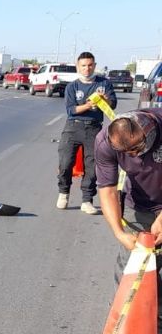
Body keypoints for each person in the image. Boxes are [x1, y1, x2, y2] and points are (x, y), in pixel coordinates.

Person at [95, 108, 162, 296]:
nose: (132, 155)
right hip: (139, 204)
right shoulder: (104, 142)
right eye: (125, 152)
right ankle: (125, 322)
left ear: (149, 132)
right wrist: (119, 232)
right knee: (132, 268)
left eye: (136, 149)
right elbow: (107, 189)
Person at [57, 51, 117, 214]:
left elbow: (113, 105)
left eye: (90, 65)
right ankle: (64, 192)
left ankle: (87, 200)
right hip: (73, 127)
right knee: (65, 162)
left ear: (95, 66)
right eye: (83, 65)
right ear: (78, 66)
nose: (87, 68)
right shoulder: (72, 87)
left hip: (94, 128)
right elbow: (71, 110)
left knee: (92, 166)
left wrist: (105, 100)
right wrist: (89, 105)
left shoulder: (104, 84)